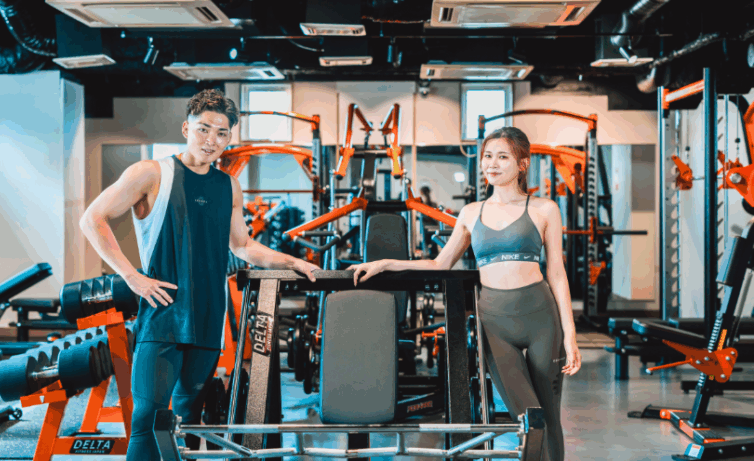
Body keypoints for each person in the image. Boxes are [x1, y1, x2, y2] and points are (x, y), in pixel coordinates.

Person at [79, 89, 320, 460]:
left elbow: (243, 246)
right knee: (148, 417)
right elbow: (92, 219)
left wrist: (293, 262)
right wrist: (132, 277)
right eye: (203, 129)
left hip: (209, 317)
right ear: (186, 128)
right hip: (162, 315)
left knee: (189, 417)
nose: (212, 140)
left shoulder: (228, 185)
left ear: (229, 137)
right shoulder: (151, 173)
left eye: (222, 133)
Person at [351, 126, 580, 461]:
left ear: (522, 164)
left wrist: (570, 334)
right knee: (529, 416)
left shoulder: (545, 209)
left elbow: (557, 274)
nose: (492, 164)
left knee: (549, 416)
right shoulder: (472, 213)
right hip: (495, 324)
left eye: (503, 157)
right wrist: (386, 263)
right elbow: (439, 263)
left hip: (542, 320)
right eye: (488, 156)